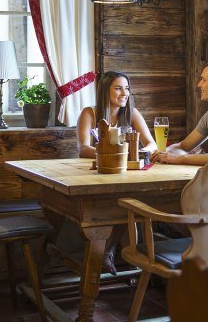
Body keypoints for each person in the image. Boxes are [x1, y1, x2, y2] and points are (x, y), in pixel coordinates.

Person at [76, 71, 157, 275]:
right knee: (120, 204)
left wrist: (138, 154)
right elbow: (83, 148)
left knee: (130, 203)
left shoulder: (131, 113)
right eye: (119, 88)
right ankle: (108, 254)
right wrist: (113, 154)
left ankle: (114, 253)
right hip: (95, 177)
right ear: (105, 91)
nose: (125, 93)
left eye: (127, 88)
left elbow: (151, 143)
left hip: (126, 176)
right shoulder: (90, 114)